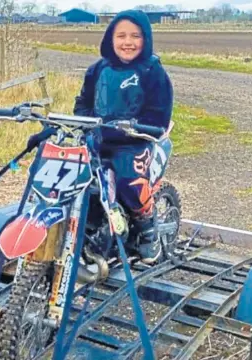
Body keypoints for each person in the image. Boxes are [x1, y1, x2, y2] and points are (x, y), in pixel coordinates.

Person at [73, 10, 173, 264]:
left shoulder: (153, 72)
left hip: (134, 141)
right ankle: (89, 226)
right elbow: (83, 102)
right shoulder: (97, 70)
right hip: (98, 139)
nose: (128, 42)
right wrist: (84, 121)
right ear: (110, 38)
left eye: (135, 36)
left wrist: (141, 126)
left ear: (146, 39)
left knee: (129, 181)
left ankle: (147, 226)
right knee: (77, 178)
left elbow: (159, 114)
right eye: (121, 36)